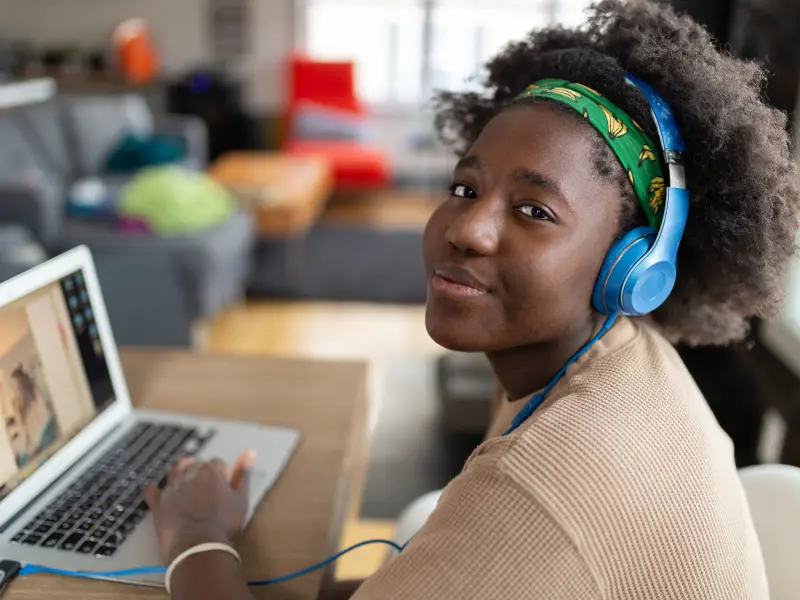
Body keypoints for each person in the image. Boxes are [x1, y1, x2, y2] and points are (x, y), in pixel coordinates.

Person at [143, 1, 800, 598]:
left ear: (635, 265)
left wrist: (197, 534)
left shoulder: (544, 483)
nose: (465, 229)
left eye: (534, 210)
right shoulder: (617, 360)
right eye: (464, 189)